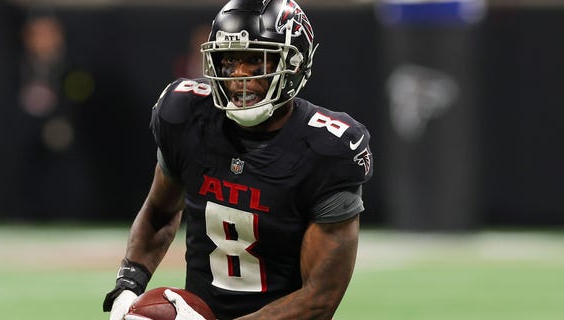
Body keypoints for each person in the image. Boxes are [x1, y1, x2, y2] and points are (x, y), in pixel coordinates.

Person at [103, 0, 373, 319]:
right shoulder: (185, 115)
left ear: (295, 65)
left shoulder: (328, 149)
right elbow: (159, 213)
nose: (239, 76)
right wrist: (128, 285)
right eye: (230, 59)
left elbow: (319, 300)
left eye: (255, 60)